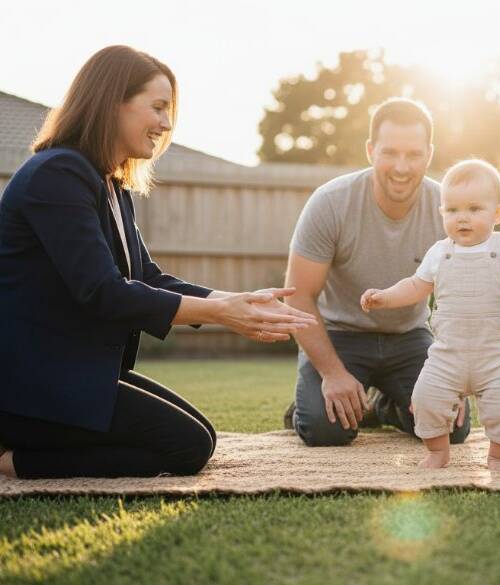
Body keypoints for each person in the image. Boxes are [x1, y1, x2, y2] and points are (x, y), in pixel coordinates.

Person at [0, 46, 315, 480]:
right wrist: (221, 313)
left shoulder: (108, 183)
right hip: (29, 386)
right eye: (158, 107)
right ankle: (15, 461)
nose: (167, 124)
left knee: (200, 432)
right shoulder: (58, 174)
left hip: (69, 375)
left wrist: (235, 300)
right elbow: (102, 292)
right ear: (112, 102)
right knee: (187, 447)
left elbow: (147, 278)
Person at [283, 97, 471, 446]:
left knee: (451, 426)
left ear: (429, 154)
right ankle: (309, 402)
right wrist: (332, 373)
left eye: (413, 154)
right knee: (326, 429)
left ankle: (385, 406)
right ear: (371, 150)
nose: (402, 167)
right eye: (390, 153)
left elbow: (460, 300)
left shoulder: (447, 210)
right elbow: (299, 297)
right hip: (340, 336)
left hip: (409, 337)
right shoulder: (331, 203)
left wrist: (453, 373)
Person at [361, 159, 500, 470]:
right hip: (447, 356)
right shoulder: (439, 252)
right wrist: (385, 297)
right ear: (442, 212)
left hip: (498, 356)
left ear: (498, 213)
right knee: (425, 400)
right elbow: (414, 286)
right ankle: (437, 452)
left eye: (475, 209)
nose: (462, 218)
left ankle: (498, 458)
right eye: (453, 210)